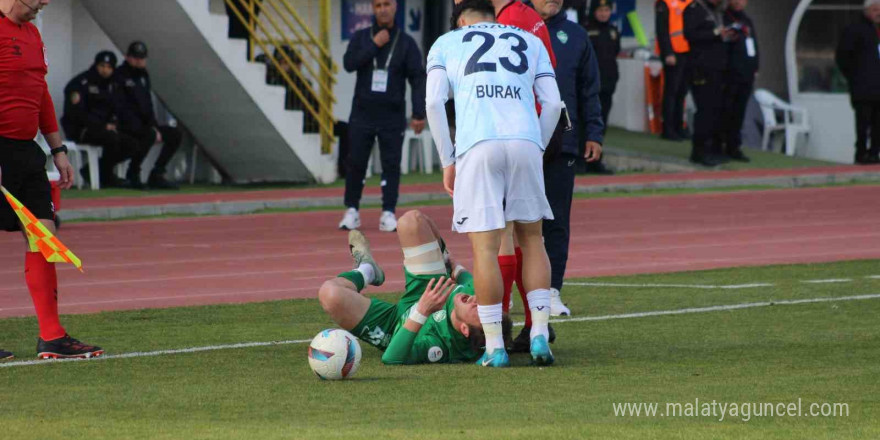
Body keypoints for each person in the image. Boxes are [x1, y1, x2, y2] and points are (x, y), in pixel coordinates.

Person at [425, 0, 563, 367]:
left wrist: (447, 159)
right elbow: (552, 104)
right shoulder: (528, 39)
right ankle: (538, 336)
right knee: (533, 239)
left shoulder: (447, 42)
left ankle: (494, 348)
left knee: (485, 249)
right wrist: (537, 146)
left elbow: (434, 103)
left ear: (461, 20)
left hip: (478, 145)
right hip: (524, 141)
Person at [0, 0, 103, 360]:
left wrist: (58, 150)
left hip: (27, 152)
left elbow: (40, 94)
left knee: (44, 236)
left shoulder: (32, 33)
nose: (44, 2)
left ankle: (52, 337)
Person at [319, 212, 511, 365]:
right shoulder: (475, 295)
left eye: (478, 310)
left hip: (396, 327)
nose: (477, 300)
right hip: (430, 283)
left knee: (330, 294)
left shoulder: (438, 345)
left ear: (464, 330)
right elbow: (466, 278)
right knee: (412, 220)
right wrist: (452, 264)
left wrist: (422, 310)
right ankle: (435, 257)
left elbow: (391, 358)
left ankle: (366, 270)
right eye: (486, 308)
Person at [519, 0, 602, 348]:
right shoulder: (514, 30)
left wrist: (594, 133)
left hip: (562, 142)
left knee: (555, 219)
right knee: (514, 224)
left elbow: (589, 89)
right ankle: (516, 298)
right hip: (520, 139)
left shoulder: (577, 36)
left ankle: (552, 291)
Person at [339, 0, 426, 233]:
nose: (383, 9)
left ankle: (388, 212)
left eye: (387, 4)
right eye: (378, 5)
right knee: (355, 162)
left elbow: (418, 78)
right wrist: (373, 46)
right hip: (362, 113)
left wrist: (419, 113)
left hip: (392, 115)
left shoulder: (406, 43)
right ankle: (352, 211)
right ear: (373, 9)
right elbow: (349, 64)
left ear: (395, 7)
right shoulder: (361, 37)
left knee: (391, 164)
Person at [61, 51, 145, 187]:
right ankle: (106, 176)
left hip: (103, 129)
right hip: (82, 129)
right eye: (102, 66)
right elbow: (77, 114)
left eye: (109, 67)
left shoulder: (113, 84)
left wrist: (114, 124)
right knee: (112, 139)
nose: (105, 70)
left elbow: (118, 108)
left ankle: (96, 171)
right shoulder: (81, 83)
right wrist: (102, 126)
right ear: (96, 65)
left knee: (132, 144)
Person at [114, 41, 182, 190]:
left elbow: (147, 104)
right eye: (135, 57)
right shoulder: (120, 75)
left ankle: (157, 173)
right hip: (127, 125)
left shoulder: (143, 75)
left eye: (142, 58)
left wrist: (154, 126)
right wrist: (149, 129)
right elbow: (122, 107)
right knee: (148, 135)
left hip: (146, 125)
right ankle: (133, 173)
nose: (139, 61)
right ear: (127, 57)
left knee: (175, 134)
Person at [683, 0, 737, 167]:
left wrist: (726, 35)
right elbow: (690, 34)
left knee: (715, 110)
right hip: (701, 68)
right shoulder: (695, 9)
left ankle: (711, 149)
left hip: (717, 68)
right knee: (705, 110)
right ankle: (698, 152)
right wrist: (715, 33)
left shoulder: (717, 11)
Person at [835, 0, 880, 165]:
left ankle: (874, 153)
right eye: (875, 9)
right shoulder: (854, 29)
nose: (878, 13)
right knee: (863, 123)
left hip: (878, 87)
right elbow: (842, 57)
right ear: (867, 10)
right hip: (862, 87)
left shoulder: (878, 30)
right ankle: (861, 153)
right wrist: (854, 77)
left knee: (877, 124)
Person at [718, 0, 756, 162]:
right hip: (731, 73)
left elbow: (755, 45)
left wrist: (756, 66)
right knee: (726, 111)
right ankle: (721, 145)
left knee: (739, 112)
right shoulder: (724, 18)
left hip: (747, 73)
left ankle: (735, 146)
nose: (740, 2)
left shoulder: (747, 20)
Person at [655, 0, 693, 141]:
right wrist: (667, 53)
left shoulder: (690, 3)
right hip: (673, 53)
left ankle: (679, 126)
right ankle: (668, 128)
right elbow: (662, 29)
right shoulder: (665, 3)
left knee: (682, 92)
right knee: (671, 92)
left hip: (688, 52)